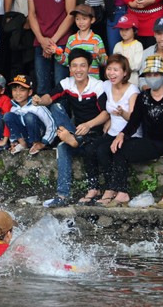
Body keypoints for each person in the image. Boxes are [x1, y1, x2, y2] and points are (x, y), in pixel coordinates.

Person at [33, 48, 109, 208]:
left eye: (82, 66)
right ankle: (62, 195)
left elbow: (105, 114)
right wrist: (40, 100)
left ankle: (73, 140)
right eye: (74, 66)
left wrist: (88, 125)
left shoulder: (98, 86)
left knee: (64, 145)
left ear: (89, 68)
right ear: (70, 68)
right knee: (56, 108)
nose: (78, 70)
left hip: (94, 134)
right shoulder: (66, 83)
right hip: (75, 133)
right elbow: (50, 97)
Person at [108, 55, 163, 208]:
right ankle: (122, 192)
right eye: (149, 75)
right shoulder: (143, 97)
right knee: (119, 149)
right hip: (150, 141)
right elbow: (134, 120)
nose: (152, 78)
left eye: (156, 74)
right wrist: (122, 135)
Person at [82, 54, 140, 206]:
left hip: (129, 133)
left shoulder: (132, 90)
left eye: (116, 70)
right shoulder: (106, 85)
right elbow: (104, 108)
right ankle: (94, 187)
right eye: (109, 69)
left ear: (125, 72)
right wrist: (107, 119)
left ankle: (111, 188)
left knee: (104, 150)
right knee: (90, 149)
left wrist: (123, 113)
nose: (111, 73)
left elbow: (134, 119)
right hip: (113, 131)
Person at [26, 0, 77, 95]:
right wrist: (41, 39)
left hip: (62, 41)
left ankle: (60, 112)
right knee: (42, 86)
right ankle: (44, 112)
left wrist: (50, 42)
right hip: (40, 41)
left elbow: (71, 14)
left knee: (61, 86)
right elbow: (31, 14)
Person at [3, 75, 56, 156]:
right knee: (8, 116)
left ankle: (36, 144)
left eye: (22, 90)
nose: (18, 93)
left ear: (30, 92)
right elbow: (12, 127)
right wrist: (13, 141)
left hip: (39, 137)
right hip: (25, 138)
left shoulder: (37, 106)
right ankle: (22, 143)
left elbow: (51, 124)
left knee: (29, 117)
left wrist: (45, 142)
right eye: (14, 90)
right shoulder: (13, 108)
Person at [55, 4, 108, 80]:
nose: (80, 22)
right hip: (75, 82)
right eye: (77, 19)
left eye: (84, 18)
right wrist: (58, 54)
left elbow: (104, 62)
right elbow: (67, 61)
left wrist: (99, 55)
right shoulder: (71, 39)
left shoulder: (96, 39)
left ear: (92, 20)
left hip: (93, 82)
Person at [112, 13, 143, 86]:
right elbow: (113, 63)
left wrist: (120, 65)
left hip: (132, 81)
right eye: (121, 29)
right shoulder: (117, 45)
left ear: (134, 30)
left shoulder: (137, 45)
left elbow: (136, 66)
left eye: (127, 29)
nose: (123, 32)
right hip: (118, 81)